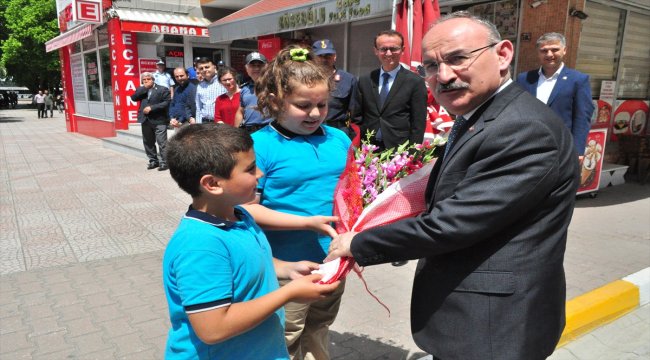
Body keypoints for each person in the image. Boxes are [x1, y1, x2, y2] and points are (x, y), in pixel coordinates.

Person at [327, 12, 580, 360]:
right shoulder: (483, 117)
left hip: (494, 329)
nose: (443, 76)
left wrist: (359, 242)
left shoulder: (523, 128)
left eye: (458, 58)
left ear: (503, 54)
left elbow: (451, 224)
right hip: (478, 320)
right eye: (431, 66)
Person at [163, 123, 340, 359]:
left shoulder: (239, 215)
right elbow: (213, 328)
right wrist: (288, 294)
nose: (260, 174)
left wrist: (288, 268)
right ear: (212, 184)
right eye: (250, 169)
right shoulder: (201, 245)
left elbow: (250, 258)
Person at [242, 45, 351, 360]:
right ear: (275, 101)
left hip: (332, 261)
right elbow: (247, 209)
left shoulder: (339, 139)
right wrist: (306, 222)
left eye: (322, 104)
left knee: (319, 327)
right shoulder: (260, 145)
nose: (315, 113)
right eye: (304, 106)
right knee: (285, 336)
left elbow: (352, 193)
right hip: (286, 268)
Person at [516, 32, 594, 156]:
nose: (549, 54)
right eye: (544, 50)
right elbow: (516, 111)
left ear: (564, 50)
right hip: (527, 145)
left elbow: (582, 118)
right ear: (538, 52)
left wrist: (577, 151)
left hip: (561, 147)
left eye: (554, 50)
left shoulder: (578, 80)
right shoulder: (524, 79)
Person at [353, 29, 428, 150]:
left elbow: (418, 124)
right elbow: (357, 117)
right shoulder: (365, 80)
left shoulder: (415, 82)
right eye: (383, 49)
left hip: (399, 150)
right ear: (376, 51)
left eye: (393, 49)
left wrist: (412, 153)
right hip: (368, 149)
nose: (388, 53)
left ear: (402, 50)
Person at [312, 39, 358, 140]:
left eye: (328, 55)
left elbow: (356, 114)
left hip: (337, 133)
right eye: (320, 56)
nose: (324, 59)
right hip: (311, 131)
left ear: (335, 56)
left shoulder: (348, 79)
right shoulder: (305, 79)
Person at [130, 72, 171, 171]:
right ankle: (153, 160)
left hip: (159, 120)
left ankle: (164, 162)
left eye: (148, 79)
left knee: (162, 142)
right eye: (144, 79)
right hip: (145, 120)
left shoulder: (163, 89)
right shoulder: (142, 90)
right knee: (148, 142)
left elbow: (166, 102)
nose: (146, 81)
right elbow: (134, 98)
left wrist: (152, 108)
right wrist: (144, 87)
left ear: (153, 80)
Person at [234, 52, 273, 133]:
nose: (256, 68)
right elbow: (240, 111)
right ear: (246, 68)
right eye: (252, 65)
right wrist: (236, 132)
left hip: (271, 129)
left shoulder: (275, 85)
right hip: (249, 131)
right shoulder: (244, 89)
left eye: (260, 65)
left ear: (267, 66)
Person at [193, 57, 227, 124]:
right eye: (201, 68)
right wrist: (198, 126)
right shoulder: (200, 86)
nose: (204, 70)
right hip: (205, 123)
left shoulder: (224, 82)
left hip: (222, 123)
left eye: (207, 67)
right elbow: (198, 108)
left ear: (214, 67)